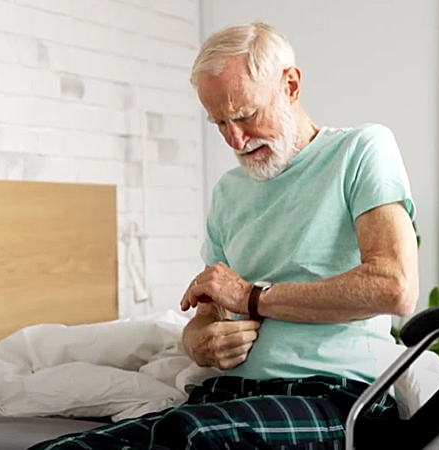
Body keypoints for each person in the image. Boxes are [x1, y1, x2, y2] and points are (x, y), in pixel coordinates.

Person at [29, 21, 419, 450]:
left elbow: (393, 287)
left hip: (336, 397)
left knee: (189, 438)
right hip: (224, 397)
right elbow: (207, 316)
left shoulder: (361, 151)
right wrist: (200, 343)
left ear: (290, 84)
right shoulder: (229, 193)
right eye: (219, 123)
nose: (235, 138)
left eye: (246, 115)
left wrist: (253, 296)